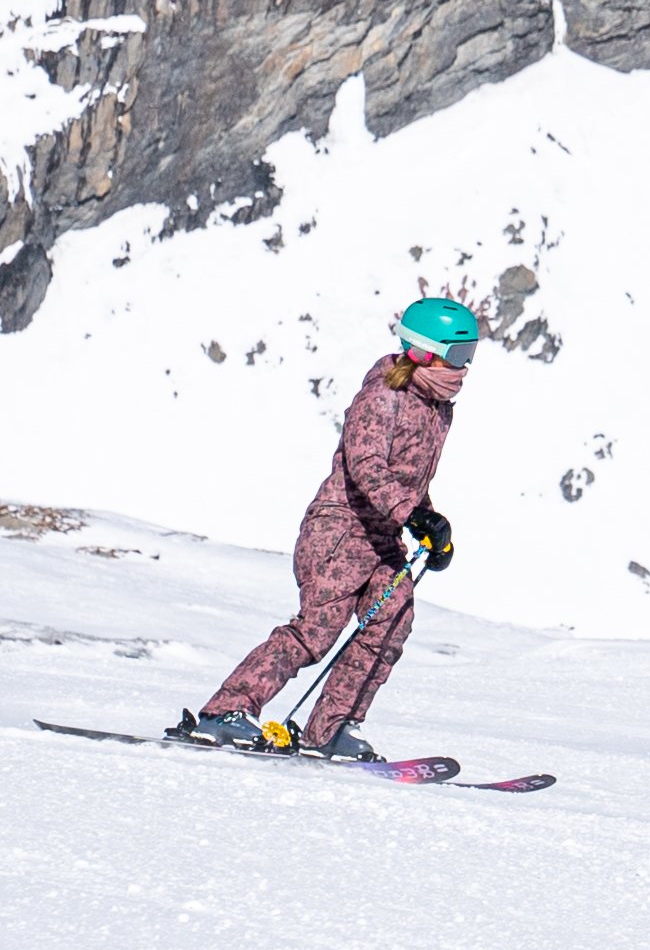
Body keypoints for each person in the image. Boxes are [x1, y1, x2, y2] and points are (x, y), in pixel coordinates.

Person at [179, 297, 476, 759]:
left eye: (470, 354)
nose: (465, 367)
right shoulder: (382, 397)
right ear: (423, 351)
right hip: (339, 531)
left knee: (392, 621)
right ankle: (226, 712)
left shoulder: (439, 409)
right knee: (317, 631)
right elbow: (366, 466)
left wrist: (429, 526)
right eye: (458, 355)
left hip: (383, 537)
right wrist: (413, 514)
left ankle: (332, 729)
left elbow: (410, 480)